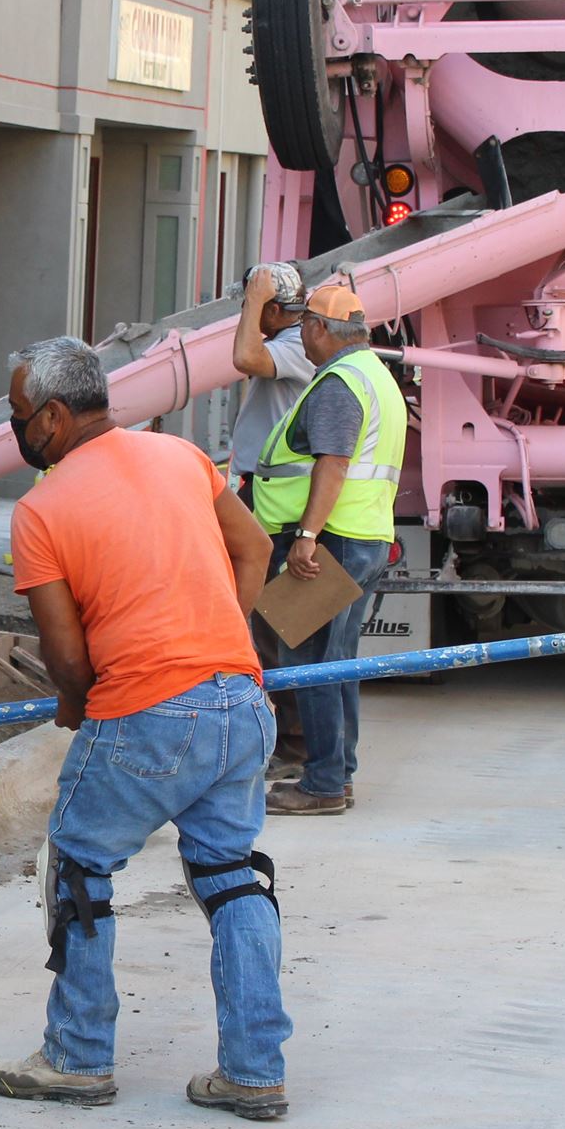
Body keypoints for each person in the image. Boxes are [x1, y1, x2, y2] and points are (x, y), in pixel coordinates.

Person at [0, 337, 294, 1122]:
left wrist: (77, 704)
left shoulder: (42, 509)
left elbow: (65, 654)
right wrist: (223, 637)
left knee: (80, 867)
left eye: (20, 416)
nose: (18, 429)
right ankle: (254, 1070)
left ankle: (79, 1055)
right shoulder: (182, 456)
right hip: (240, 700)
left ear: (52, 417)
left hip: (150, 709)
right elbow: (253, 547)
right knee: (232, 877)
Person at [252, 282, 409, 816]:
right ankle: (336, 776)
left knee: (310, 661)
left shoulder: (341, 382)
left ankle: (321, 783)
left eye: (304, 329)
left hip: (332, 541)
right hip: (363, 536)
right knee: (335, 661)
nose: (303, 338)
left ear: (320, 328)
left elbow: (333, 463)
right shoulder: (376, 377)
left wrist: (306, 536)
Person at [228, 261, 317, 769]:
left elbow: (244, 356)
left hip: (277, 507)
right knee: (264, 623)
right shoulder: (294, 340)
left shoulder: (294, 344)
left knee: (278, 624)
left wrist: (254, 300)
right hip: (266, 499)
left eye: (259, 307)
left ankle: (296, 745)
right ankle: (289, 740)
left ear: (276, 309)